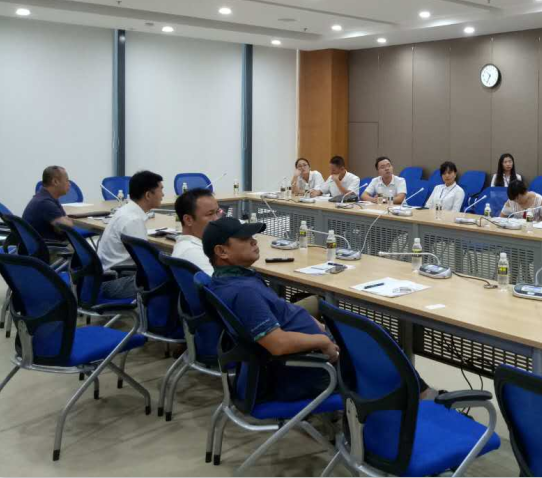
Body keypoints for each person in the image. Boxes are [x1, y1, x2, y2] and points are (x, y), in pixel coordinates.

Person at [204, 216, 438, 402]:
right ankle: (419, 402)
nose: (254, 241)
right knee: (378, 348)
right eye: (245, 239)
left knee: (374, 338)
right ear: (222, 252)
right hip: (304, 371)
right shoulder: (244, 293)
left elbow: (278, 315)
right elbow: (278, 344)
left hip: (299, 361)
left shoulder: (232, 280)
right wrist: (322, 341)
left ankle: (417, 394)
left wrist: (315, 324)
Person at [97, 170, 164, 299]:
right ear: (148, 195)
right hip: (116, 283)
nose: (163, 194)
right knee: (174, 283)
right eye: (161, 190)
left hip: (111, 276)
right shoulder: (133, 220)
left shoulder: (125, 211)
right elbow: (146, 262)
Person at [171, 188, 222, 275]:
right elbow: (219, 283)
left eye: (217, 212)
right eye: (210, 214)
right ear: (188, 220)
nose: (217, 219)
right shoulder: (193, 252)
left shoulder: (191, 246)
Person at [22, 165, 74, 241]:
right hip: (48, 246)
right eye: (67, 180)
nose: (69, 184)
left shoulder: (44, 196)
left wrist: (64, 222)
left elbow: (61, 226)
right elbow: (68, 228)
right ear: (55, 182)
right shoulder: (45, 203)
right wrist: (67, 222)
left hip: (41, 243)